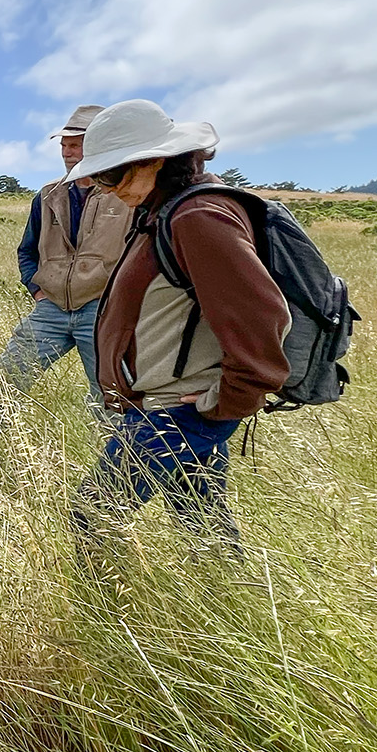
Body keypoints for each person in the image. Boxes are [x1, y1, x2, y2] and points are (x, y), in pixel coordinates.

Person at [67, 100, 291, 560]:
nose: (105, 188)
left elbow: (261, 317)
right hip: (173, 405)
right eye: (100, 176)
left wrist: (222, 404)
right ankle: (229, 602)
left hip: (177, 411)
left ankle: (104, 615)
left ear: (155, 160)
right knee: (203, 525)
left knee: (94, 512)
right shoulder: (163, 212)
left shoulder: (196, 217)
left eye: (113, 175)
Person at [0, 104, 133, 407]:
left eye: (76, 145)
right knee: (6, 384)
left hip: (102, 313)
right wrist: (37, 291)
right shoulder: (47, 195)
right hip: (51, 309)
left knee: (113, 399)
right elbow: (27, 251)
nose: (67, 152)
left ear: (98, 146)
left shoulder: (125, 196)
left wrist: (119, 301)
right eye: (64, 145)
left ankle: (119, 453)